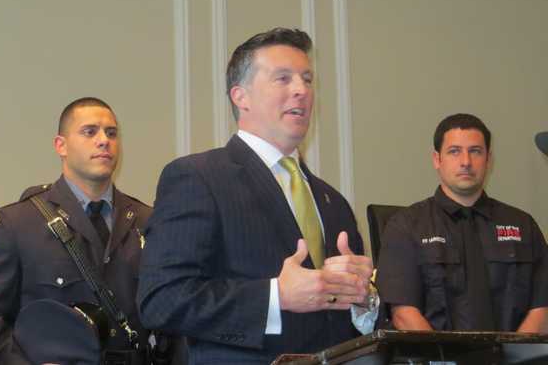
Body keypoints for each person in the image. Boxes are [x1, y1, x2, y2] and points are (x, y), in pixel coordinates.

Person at [137, 28, 375, 364]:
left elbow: (350, 327)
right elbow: (162, 300)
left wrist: (363, 301)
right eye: (283, 78)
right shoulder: (198, 177)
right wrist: (275, 296)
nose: (301, 90)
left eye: (307, 79)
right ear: (240, 96)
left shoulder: (333, 201)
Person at [0, 97, 177, 364]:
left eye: (111, 133)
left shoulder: (147, 221)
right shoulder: (18, 223)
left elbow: (174, 316)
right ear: (60, 145)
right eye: (90, 131)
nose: (103, 140)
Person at [376, 113, 548, 332]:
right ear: (437, 160)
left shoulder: (523, 226)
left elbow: (542, 309)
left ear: (488, 159)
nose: (466, 162)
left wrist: (515, 358)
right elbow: (403, 314)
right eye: (454, 151)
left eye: (475, 151)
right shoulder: (405, 226)